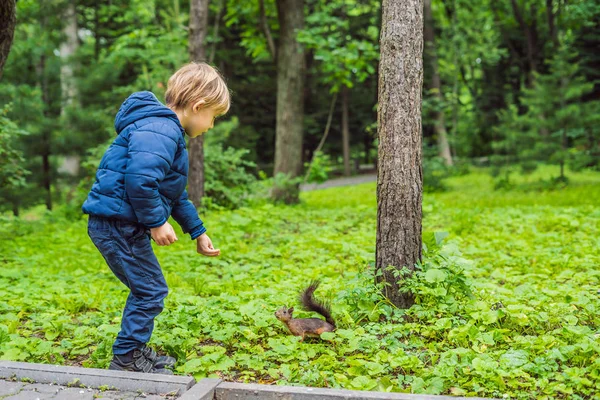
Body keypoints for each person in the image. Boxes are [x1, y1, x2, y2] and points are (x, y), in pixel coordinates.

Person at [82, 62, 230, 374]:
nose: (211, 125)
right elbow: (140, 181)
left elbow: (176, 195)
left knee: (148, 288)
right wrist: (156, 222)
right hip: (118, 225)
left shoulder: (163, 131)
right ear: (197, 106)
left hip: (119, 224)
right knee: (150, 290)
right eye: (213, 117)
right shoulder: (161, 130)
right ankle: (126, 359)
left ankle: (133, 350)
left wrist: (198, 232)